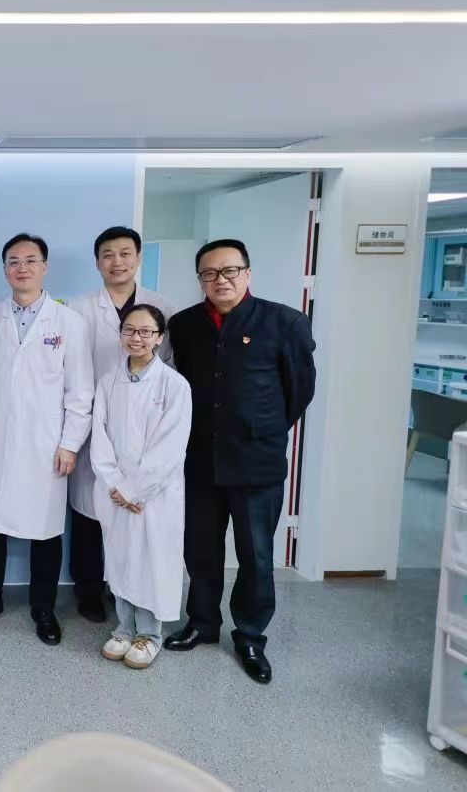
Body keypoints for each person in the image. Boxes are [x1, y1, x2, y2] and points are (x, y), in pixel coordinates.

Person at [164, 238, 316, 684]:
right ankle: (202, 622)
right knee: (200, 549)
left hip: (256, 463)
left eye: (230, 270)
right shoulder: (184, 324)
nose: (221, 280)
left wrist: (259, 428)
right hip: (199, 459)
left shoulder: (284, 322)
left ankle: (250, 635)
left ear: (247, 273)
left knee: (256, 554)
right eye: (210, 273)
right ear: (200, 280)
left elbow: (299, 391)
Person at [0, 233, 93, 646]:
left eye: (30, 260)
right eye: (13, 261)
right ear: (5, 269)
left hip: (47, 444)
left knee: (46, 529)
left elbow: (80, 391)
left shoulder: (69, 323)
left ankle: (44, 608)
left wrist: (70, 443)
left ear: (44, 267)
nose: (21, 268)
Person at [68, 226, 176, 623]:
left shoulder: (163, 306)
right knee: (89, 512)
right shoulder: (78, 309)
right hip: (93, 424)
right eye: (108, 255)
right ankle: (88, 590)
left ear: (138, 258)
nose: (117, 262)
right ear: (97, 262)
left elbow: (169, 370)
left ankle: (130, 592)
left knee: (135, 511)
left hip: (145, 431)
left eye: (125, 253)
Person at [89, 304, 191, 671]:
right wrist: (116, 486)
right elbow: (99, 439)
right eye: (130, 330)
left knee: (150, 561)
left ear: (159, 338)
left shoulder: (174, 386)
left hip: (154, 496)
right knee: (120, 560)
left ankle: (149, 634)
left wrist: (134, 490)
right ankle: (124, 628)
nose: (137, 338)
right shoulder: (108, 382)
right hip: (115, 494)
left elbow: (170, 448)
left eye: (146, 331)